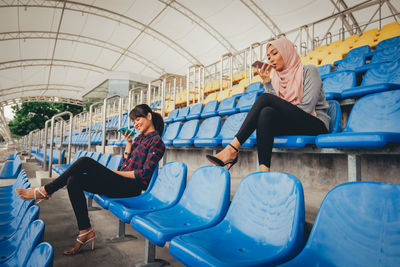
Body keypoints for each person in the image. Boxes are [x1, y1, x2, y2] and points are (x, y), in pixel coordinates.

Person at [16, 104, 165, 255]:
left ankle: (46, 190)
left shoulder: (157, 142)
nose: (136, 124)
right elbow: (125, 165)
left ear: (149, 116)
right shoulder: (138, 139)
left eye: (138, 119)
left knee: (85, 162)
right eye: (133, 122)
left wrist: (115, 173)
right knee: (73, 181)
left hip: (131, 188)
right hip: (120, 181)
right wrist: (128, 143)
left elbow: (144, 174)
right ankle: (85, 230)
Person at [207, 37, 330, 171]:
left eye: (275, 53)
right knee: (266, 113)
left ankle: (232, 148)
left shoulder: (310, 71)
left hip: (315, 123)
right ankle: (263, 171)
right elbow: (277, 105)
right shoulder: (278, 78)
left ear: (287, 52)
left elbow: (306, 108)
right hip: (295, 122)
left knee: (265, 99)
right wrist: (267, 81)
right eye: (268, 56)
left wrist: (275, 100)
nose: (270, 59)